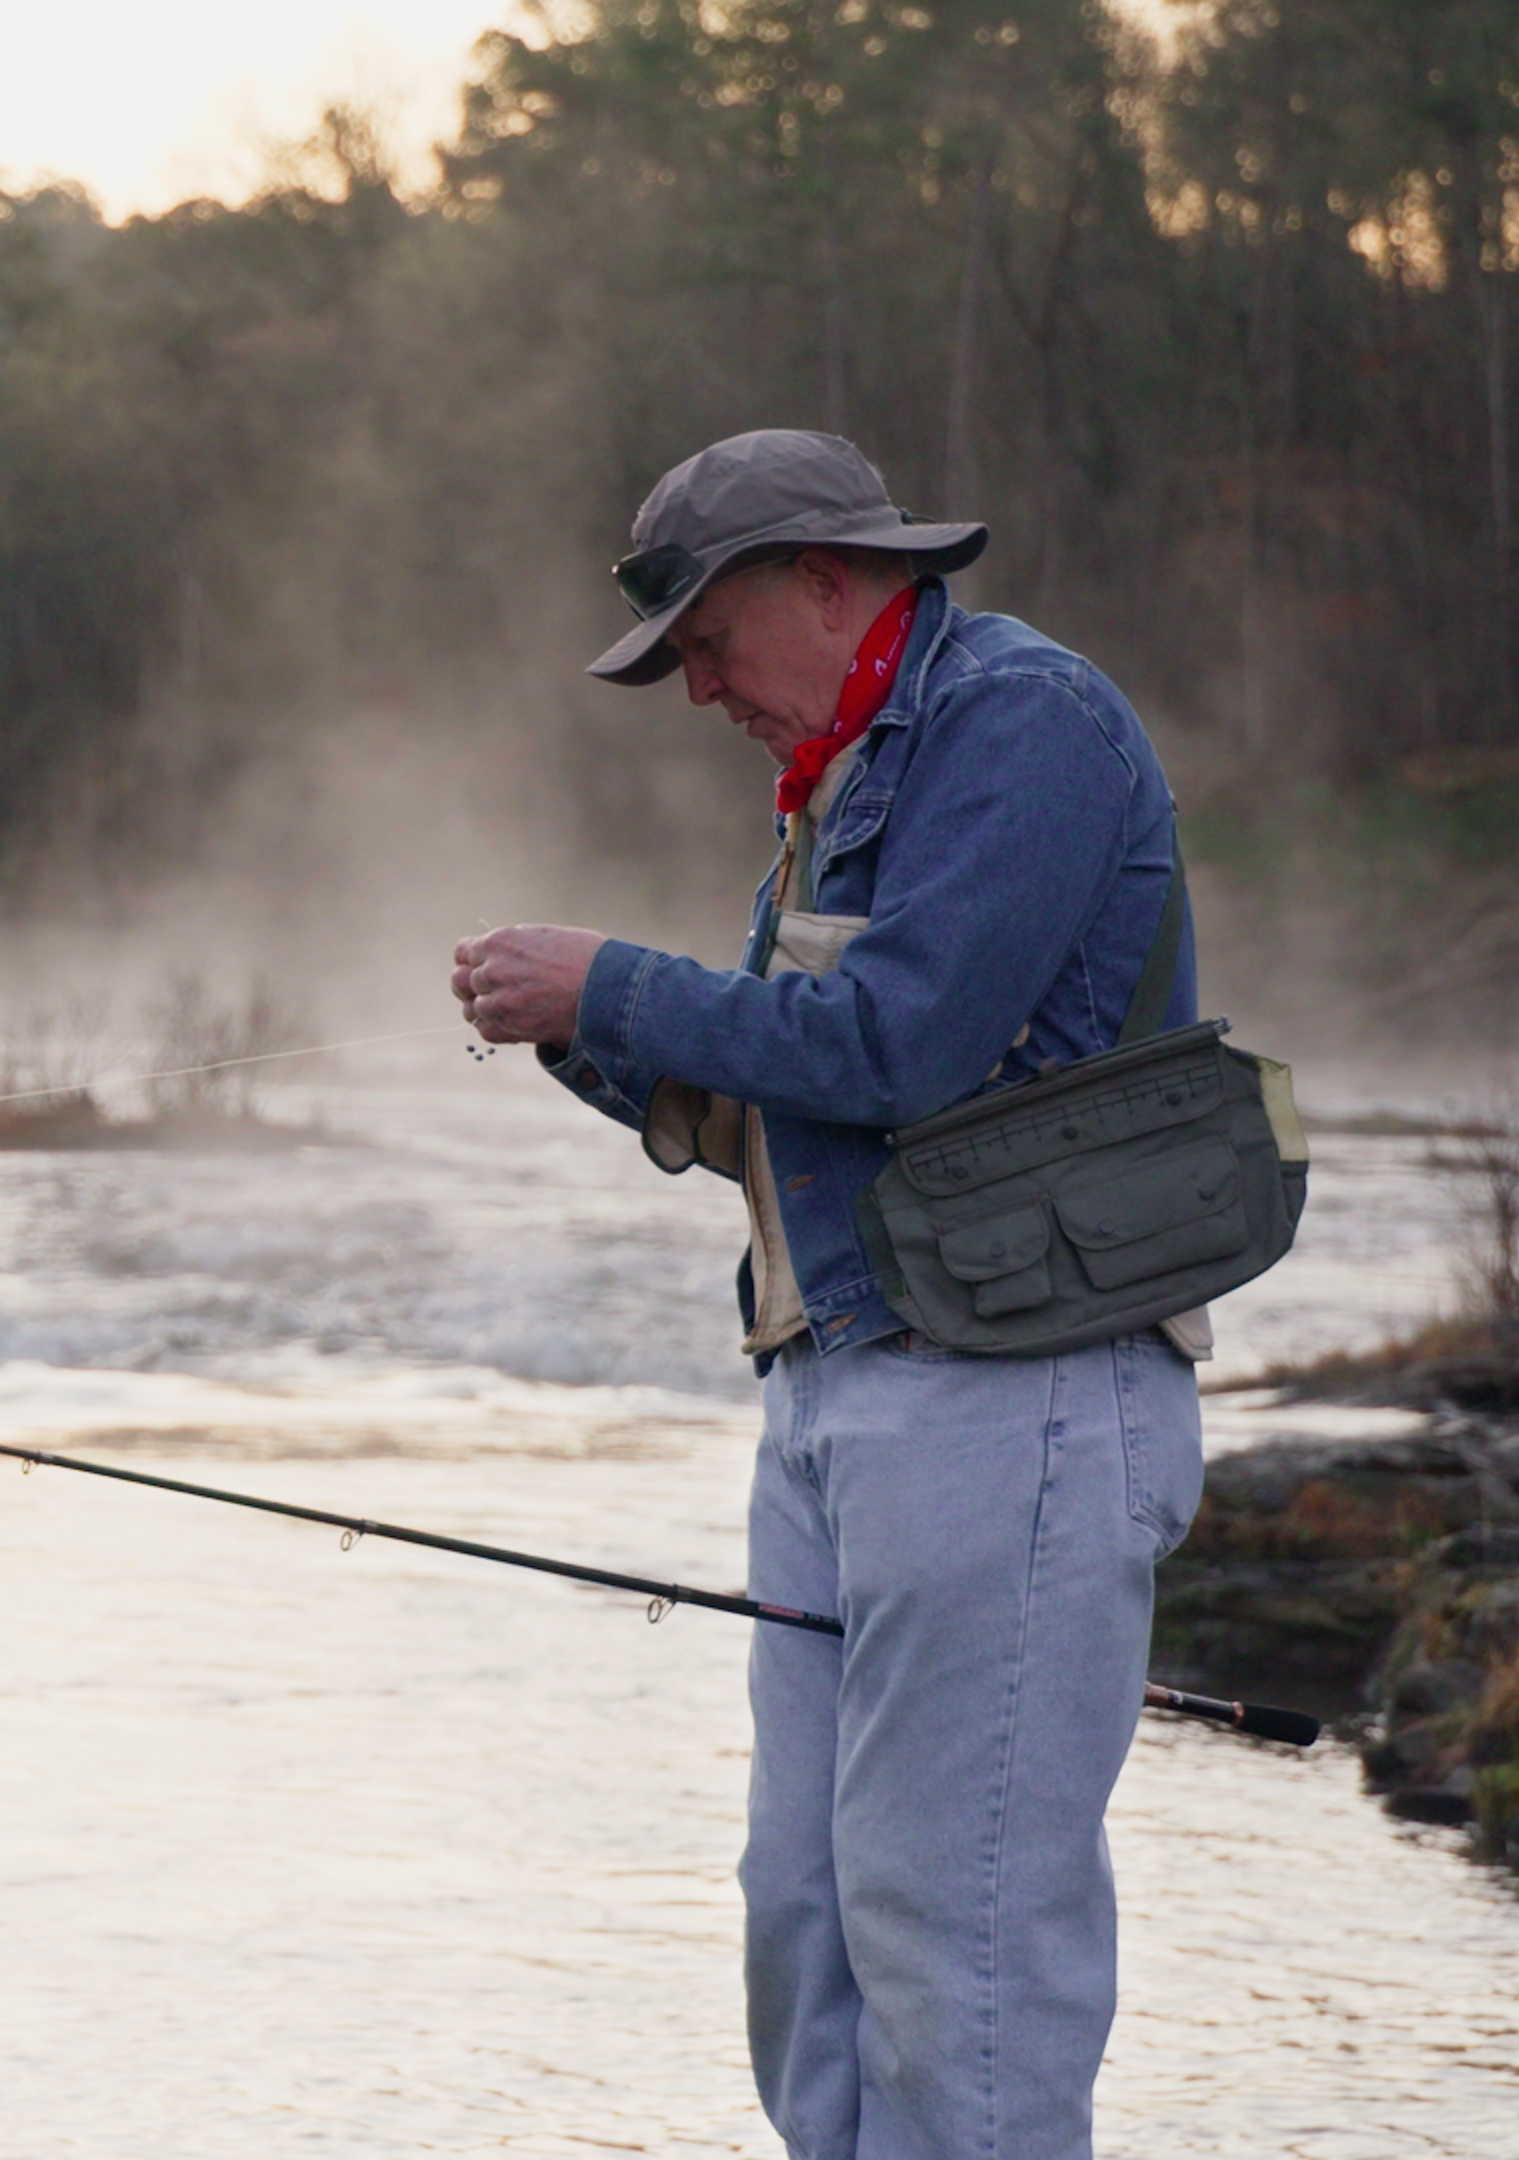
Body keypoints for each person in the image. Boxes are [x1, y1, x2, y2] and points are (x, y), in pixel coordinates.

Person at [448, 428, 1203, 2160]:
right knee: (807, 1923)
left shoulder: (1024, 723)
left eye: (705, 643)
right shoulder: (845, 779)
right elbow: (780, 1112)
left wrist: (618, 978)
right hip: (841, 1399)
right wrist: (580, 1028)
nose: (696, 690)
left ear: (825, 575)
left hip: (1012, 1402)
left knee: (964, 1949)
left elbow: (901, 1044)